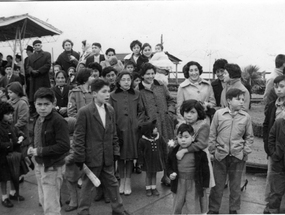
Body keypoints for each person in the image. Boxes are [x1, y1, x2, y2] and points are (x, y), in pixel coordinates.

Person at [72, 79, 130, 215]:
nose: (107, 94)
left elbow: (113, 133)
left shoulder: (110, 110)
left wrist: (115, 151)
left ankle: (118, 209)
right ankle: (83, 211)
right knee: (87, 186)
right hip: (92, 157)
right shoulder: (84, 112)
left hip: (107, 156)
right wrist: (79, 157)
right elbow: (78, 137)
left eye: (108, 91)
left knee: (113, 183)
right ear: (94, 93)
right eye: (103, 92)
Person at [208, 88, 254, 214]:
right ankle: (213, 209)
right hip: (220, 155)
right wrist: (213, 151)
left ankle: (233, 209)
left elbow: (249, 136)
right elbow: (212, 133)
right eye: (238, 99)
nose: (241, 102)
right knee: (217, 185)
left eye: (243, 100)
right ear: (229, 100)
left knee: (235, 186)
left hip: (237, 156)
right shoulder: (219, 114)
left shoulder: (246, 117)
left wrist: (245, 151)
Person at [27, 87, 70, 215]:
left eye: (46, 104)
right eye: (39, 104)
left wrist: (40, 151)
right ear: (34, 104)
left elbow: (64, 146)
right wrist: (31, 146)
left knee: (51, 206)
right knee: (44, 200)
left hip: (53, 167)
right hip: (39, 164)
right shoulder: (37, 118)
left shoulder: (58, 121)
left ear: (53, 104)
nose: (42, 108)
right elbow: (34, 136)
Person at [138, 62, 176, 186]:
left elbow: (170, 100)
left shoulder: (161, 86)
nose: (150, 76)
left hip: (165, 121)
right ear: (142, 75)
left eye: (152, 73)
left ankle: (167, 175)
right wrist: (146, 123)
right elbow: (139, 110)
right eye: (147, 74)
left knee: (169, 148)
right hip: (151, 126)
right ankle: (151, 182)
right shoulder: (138, 90)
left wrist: (170, 113)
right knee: (155, 151)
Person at [175, 99, 215, 213]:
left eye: (192, 112)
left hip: (199, 161)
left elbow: (201, 144)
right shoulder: (182, 125)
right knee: (185, 187)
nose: (188, 115)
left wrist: (185, 150)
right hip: (185, 163)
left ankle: (203, 211)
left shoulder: (203, 126)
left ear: (199, 113)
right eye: (186, 112)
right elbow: (177, 138)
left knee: (200, 187)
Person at [109, 71, 142, 195]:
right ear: (118, 81)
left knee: (129, 157)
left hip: (133, 130)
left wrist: (137, 123)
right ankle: (121, 181)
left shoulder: (137, 94)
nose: (127, 82)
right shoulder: (113, 95)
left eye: (129, 79)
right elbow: (110, 113)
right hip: (119, 130)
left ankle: (128, 181)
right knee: (121, 157)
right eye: (123, 79)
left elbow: (141, 112)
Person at [167, 123, 210, 214]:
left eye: (186, 137)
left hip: (193, 182)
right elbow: (168, 166)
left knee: (192, 204)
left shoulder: (200, 154)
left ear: (193, 137)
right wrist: (170, 173)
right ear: (176, 138)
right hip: (179, 182)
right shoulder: (173, 152)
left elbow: (205, 170)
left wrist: (205, 184)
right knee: (177, 203)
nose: (183, 140)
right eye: (180, 137)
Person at [262, 75, 285, 213]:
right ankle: (271, 206)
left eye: (282, 86)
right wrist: (269, 149)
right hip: (275, 150)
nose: (279, 89)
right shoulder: (272, 105)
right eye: (276, 87)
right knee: (273, 178)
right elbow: (266, 126)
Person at [0, 101, 25, 208]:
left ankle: (13, 193)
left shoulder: (10, 124)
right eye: (7, 114)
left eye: (11, 113)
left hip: (14, 155)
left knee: (15, 174)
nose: (10, 116)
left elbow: (17, 130)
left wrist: (21, 135)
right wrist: (12, 144)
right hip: (2, 157)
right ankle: (4, 197)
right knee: (3, 178)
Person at [138, 120, 168, 197]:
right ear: (149, 130)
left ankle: (153, 188)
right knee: (148, 174)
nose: (156, 129)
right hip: (147, 161)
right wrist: (140, 162)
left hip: (156, 160)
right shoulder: (143, 140)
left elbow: (164, 146)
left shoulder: (159, 137)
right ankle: (148, 188)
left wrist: (165, 156)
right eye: (154, 128)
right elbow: (140, 152)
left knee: (154, 174)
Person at [7, 82, 31, 178]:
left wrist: (13, 129)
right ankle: (28, 163)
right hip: (11, 133)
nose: (9, 94)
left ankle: (20, 174)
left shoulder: (22, 104)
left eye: (11, 92)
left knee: (21, 153)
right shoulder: (8, 103)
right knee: (17, 154)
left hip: (20, 133)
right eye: (8, 92)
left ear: (17, 92)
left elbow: (23, 119)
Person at [266, 101, 285, 214]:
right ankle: (272, 210)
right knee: (276, 191)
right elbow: (271, 138)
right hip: (279, 161)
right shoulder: (279, 123)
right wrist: (274, 153)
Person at [26, 39, 51, 117]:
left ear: (41, 46)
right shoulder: (30, 57)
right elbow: (27, 66)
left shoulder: (47, 54)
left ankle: (45, 111)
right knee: (34, 95)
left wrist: (39, 71)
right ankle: (35, 112)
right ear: (33, 47)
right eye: (35, 45)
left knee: (44, 95)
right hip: (34, 79)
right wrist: (32, 71)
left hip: (43, 79)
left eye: (38, 45)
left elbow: (47, 65)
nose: (37, 47)